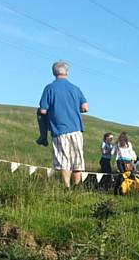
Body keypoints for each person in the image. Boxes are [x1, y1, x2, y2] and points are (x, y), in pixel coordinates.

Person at [39, 61, 89, 189]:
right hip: (76, 128)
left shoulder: (49, 88)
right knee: (77, 160)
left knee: (64, 160)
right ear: (67, 72)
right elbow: (85, 108)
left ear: (53, 72)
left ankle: (67, 187)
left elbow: (43, 110)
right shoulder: (75, 88)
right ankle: (78, 187)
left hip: (59, 129)